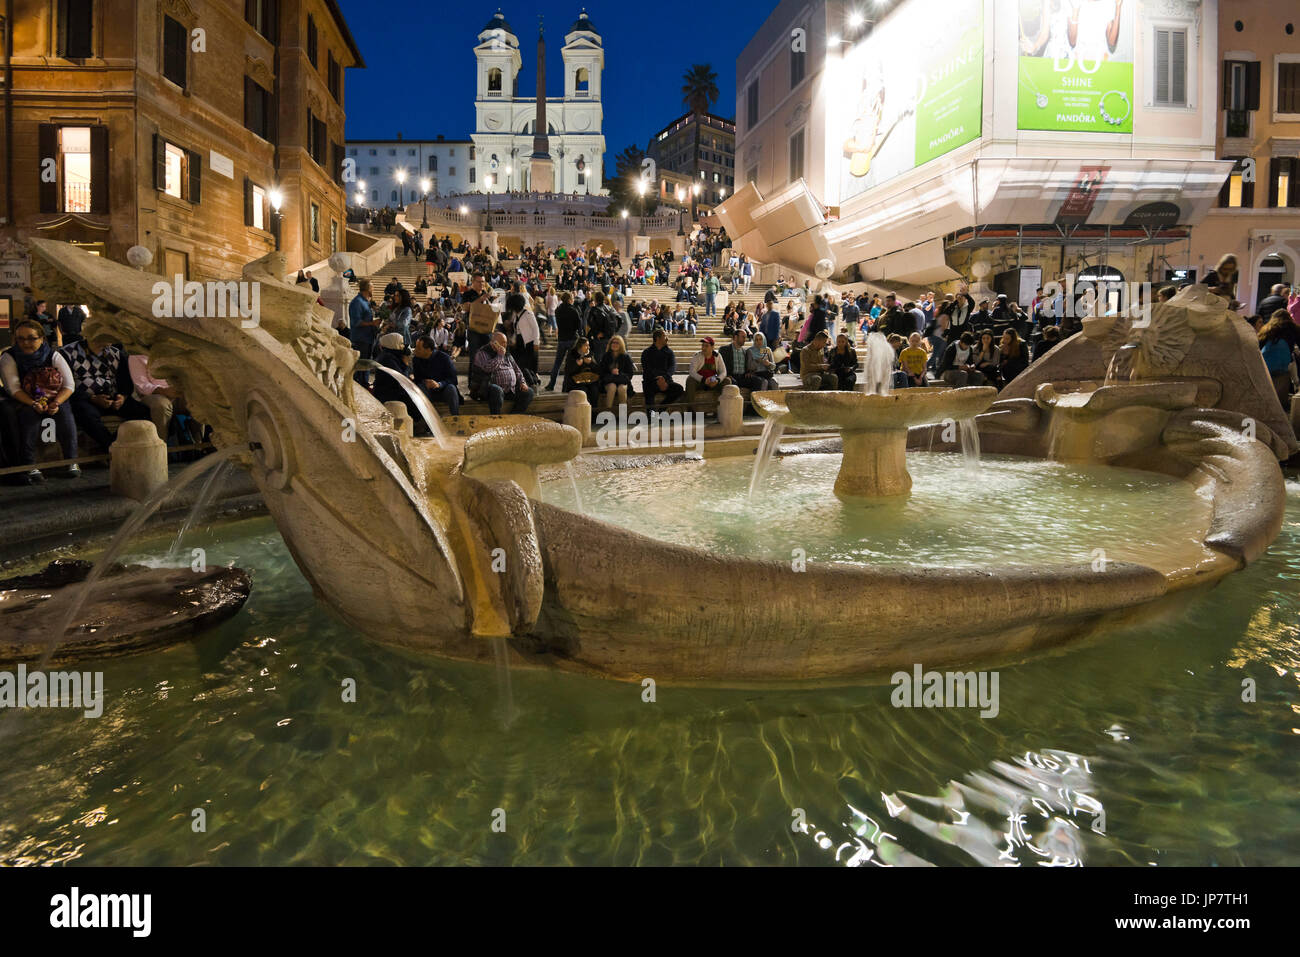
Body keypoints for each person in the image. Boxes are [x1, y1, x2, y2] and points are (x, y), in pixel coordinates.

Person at [0, 319, 79, 482]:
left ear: (41, 338)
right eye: (20, 339)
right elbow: (13, 388)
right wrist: (34, 403)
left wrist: (56, 402)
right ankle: (29, 465)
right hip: (26, 400)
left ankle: (72, 461)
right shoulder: (9, 357)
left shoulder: (53, 355)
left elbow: (69, 384)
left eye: (31, 338)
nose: (25, 343)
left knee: (65, 414)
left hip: (54, 398)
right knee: (29, 418)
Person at [60, 335, 152, 452]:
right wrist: (92, 398)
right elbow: (66, 385)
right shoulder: (67, 353)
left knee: (143, 412)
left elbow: (125, 381)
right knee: (85, 414)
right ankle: (113, 448)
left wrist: (122, 397)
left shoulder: (116, 353)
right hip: (85, 400)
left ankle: (112, 445)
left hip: (112, 399)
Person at [470, 331, 533, 415]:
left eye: (506, 343)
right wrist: (500, 356)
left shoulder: (507, 354)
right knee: (497, 390)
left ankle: (513, 416)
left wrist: (522, 382)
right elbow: (488, 368)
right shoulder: (482, 353)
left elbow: (517, 370)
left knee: (529, 392)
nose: (505, 345)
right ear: (494, 342)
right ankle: (496, 418)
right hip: (487, 389)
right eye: (503, 342)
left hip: (510, 390)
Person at [128, 353, 187, 441]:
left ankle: (200, 445)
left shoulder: (170, 350)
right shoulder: (136, 356)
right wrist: (164, 391)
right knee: (160, 405)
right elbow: (142, 386)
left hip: (177, 392)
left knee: (198, 399)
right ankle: (161, 445)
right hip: (153, 394)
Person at [1259, 310, 1300, 408]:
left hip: (1266, 365)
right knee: (1280, 397)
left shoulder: (1267, 329)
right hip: (1283, 366)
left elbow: (1259, 345)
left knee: (1266, 391)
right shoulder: (1293, 328)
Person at [412, 335, 461, 415]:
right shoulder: (416, 359)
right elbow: (417, 379)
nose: (415, 350)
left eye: (418, 348)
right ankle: (429, 421)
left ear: (428, 350)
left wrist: (439, 384)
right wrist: (425, 382)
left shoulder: (444, 358)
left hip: (443, 390)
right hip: (427, 391)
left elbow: (453, 379)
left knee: (451, 388)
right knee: (420, 387)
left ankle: (455, 418)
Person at [641, 329, 685, 411]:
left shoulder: (669, 352)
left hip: (666, 380)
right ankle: (652, 417)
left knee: (679, 389)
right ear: (658, 338)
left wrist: (664, 378)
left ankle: (661, 409)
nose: (667, 338)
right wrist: (658, 379)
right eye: (665, 336)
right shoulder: (646, 352)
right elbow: (647, 369)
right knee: (649, 396)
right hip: (651, 381)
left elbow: (672, 367)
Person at [547, 290, 583, 391]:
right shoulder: (573, 310)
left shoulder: (558, 310)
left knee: (557, 363)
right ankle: (566, 385)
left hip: (562, 339)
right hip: (572, 339)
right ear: (569, 299)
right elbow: (579, 326)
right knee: (571, 363)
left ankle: (551, 384)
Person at [686, 336, 732, 404]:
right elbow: (692, 372)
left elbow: (723, 371)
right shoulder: (697, 355)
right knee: (690, 380)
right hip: (701, 381)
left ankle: (723, 405)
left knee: (727, 380)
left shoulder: (718, 356)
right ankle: (691, 407)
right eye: (702, 345)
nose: (703, 348)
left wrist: (717, 380)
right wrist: (704, 380)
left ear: (712, 347)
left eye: (706, 346)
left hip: (713, 379)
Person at [598, 335, 635, 412]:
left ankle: (623, 415)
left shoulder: (626, 357)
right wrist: (611, 373)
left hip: (622, 381)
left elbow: (630, 374)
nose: (614, 344)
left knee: (622, 388)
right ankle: (608, 413)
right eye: (613, 342)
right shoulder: (606, 356)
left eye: (617, 343)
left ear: (621, 345)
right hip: (609, 382)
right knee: (612, 386)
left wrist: (619, 374)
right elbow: (601, 373)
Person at [563, 336, 602, 409]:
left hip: (589, 381)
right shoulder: (572, 354)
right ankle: (583, 411)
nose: (588, 347)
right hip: (575, 382)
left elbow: (598, 370)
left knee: (594, 390)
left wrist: (591, 363)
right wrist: (576, 365)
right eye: (586, 345)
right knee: (583, 391)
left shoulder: (590, 355)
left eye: (588, 345)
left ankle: (593, 412)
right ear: (580, 346)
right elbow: (568, 371)